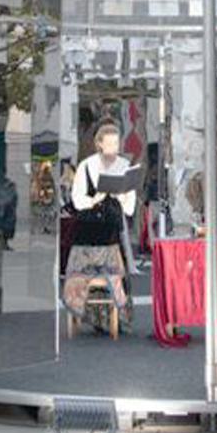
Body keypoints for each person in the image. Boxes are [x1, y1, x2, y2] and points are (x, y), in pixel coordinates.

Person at [64, 123, 139, 325]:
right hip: (88, 230)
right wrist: (94, 199)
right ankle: (89, 316)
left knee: (118, 276)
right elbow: (77, 200)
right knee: (83, 276)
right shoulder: (86, 165)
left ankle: (117, 320)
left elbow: (130, 204)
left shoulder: (124, 165)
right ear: (99, 144)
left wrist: (122, 197)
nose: (114, 148)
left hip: (112, 228)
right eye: (110, 144)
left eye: (116, 143)